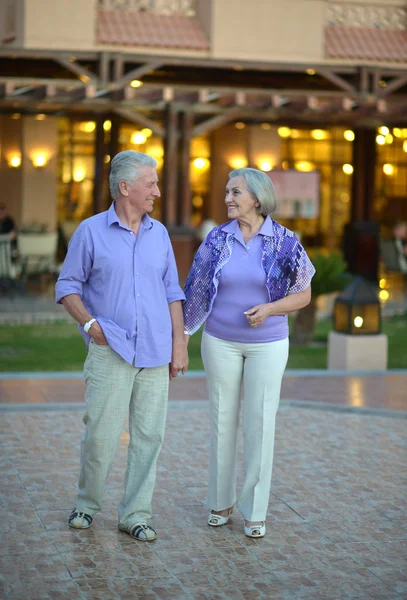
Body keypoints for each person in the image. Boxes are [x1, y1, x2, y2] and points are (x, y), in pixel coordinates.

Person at [55, 150, 188, 542]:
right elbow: (67, 286)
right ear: (125, 187)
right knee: (101, 433)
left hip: (155, 351)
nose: (158, 192)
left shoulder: (160, 233)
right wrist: (91, 324)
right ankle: (86, 504)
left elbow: (172, 291)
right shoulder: (90, 231)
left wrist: (178, 344)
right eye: (151, 183)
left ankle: (136, 514)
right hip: (110, 348)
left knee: (149, 436)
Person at [183, 168, 315, 538]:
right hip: (220, 341)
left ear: (257, 198)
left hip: (269, 344)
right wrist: (182, 334)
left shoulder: (285, 241)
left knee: (260, 423)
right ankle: (220, 502)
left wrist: (270, 309)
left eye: (235, 192)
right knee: (222, 419)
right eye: (227, 191)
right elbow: (195, 289)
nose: (228, 198)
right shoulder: (216, 239)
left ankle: (255, 511)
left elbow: (303, 293)